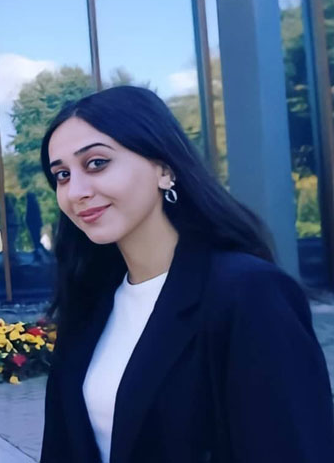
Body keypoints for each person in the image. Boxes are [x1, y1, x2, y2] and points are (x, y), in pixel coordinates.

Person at [39, 86, 334, 463]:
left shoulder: (247, 292)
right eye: (62, 175)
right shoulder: (89, 301)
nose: (75, 191)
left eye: (96, 163)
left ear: (164, 169)